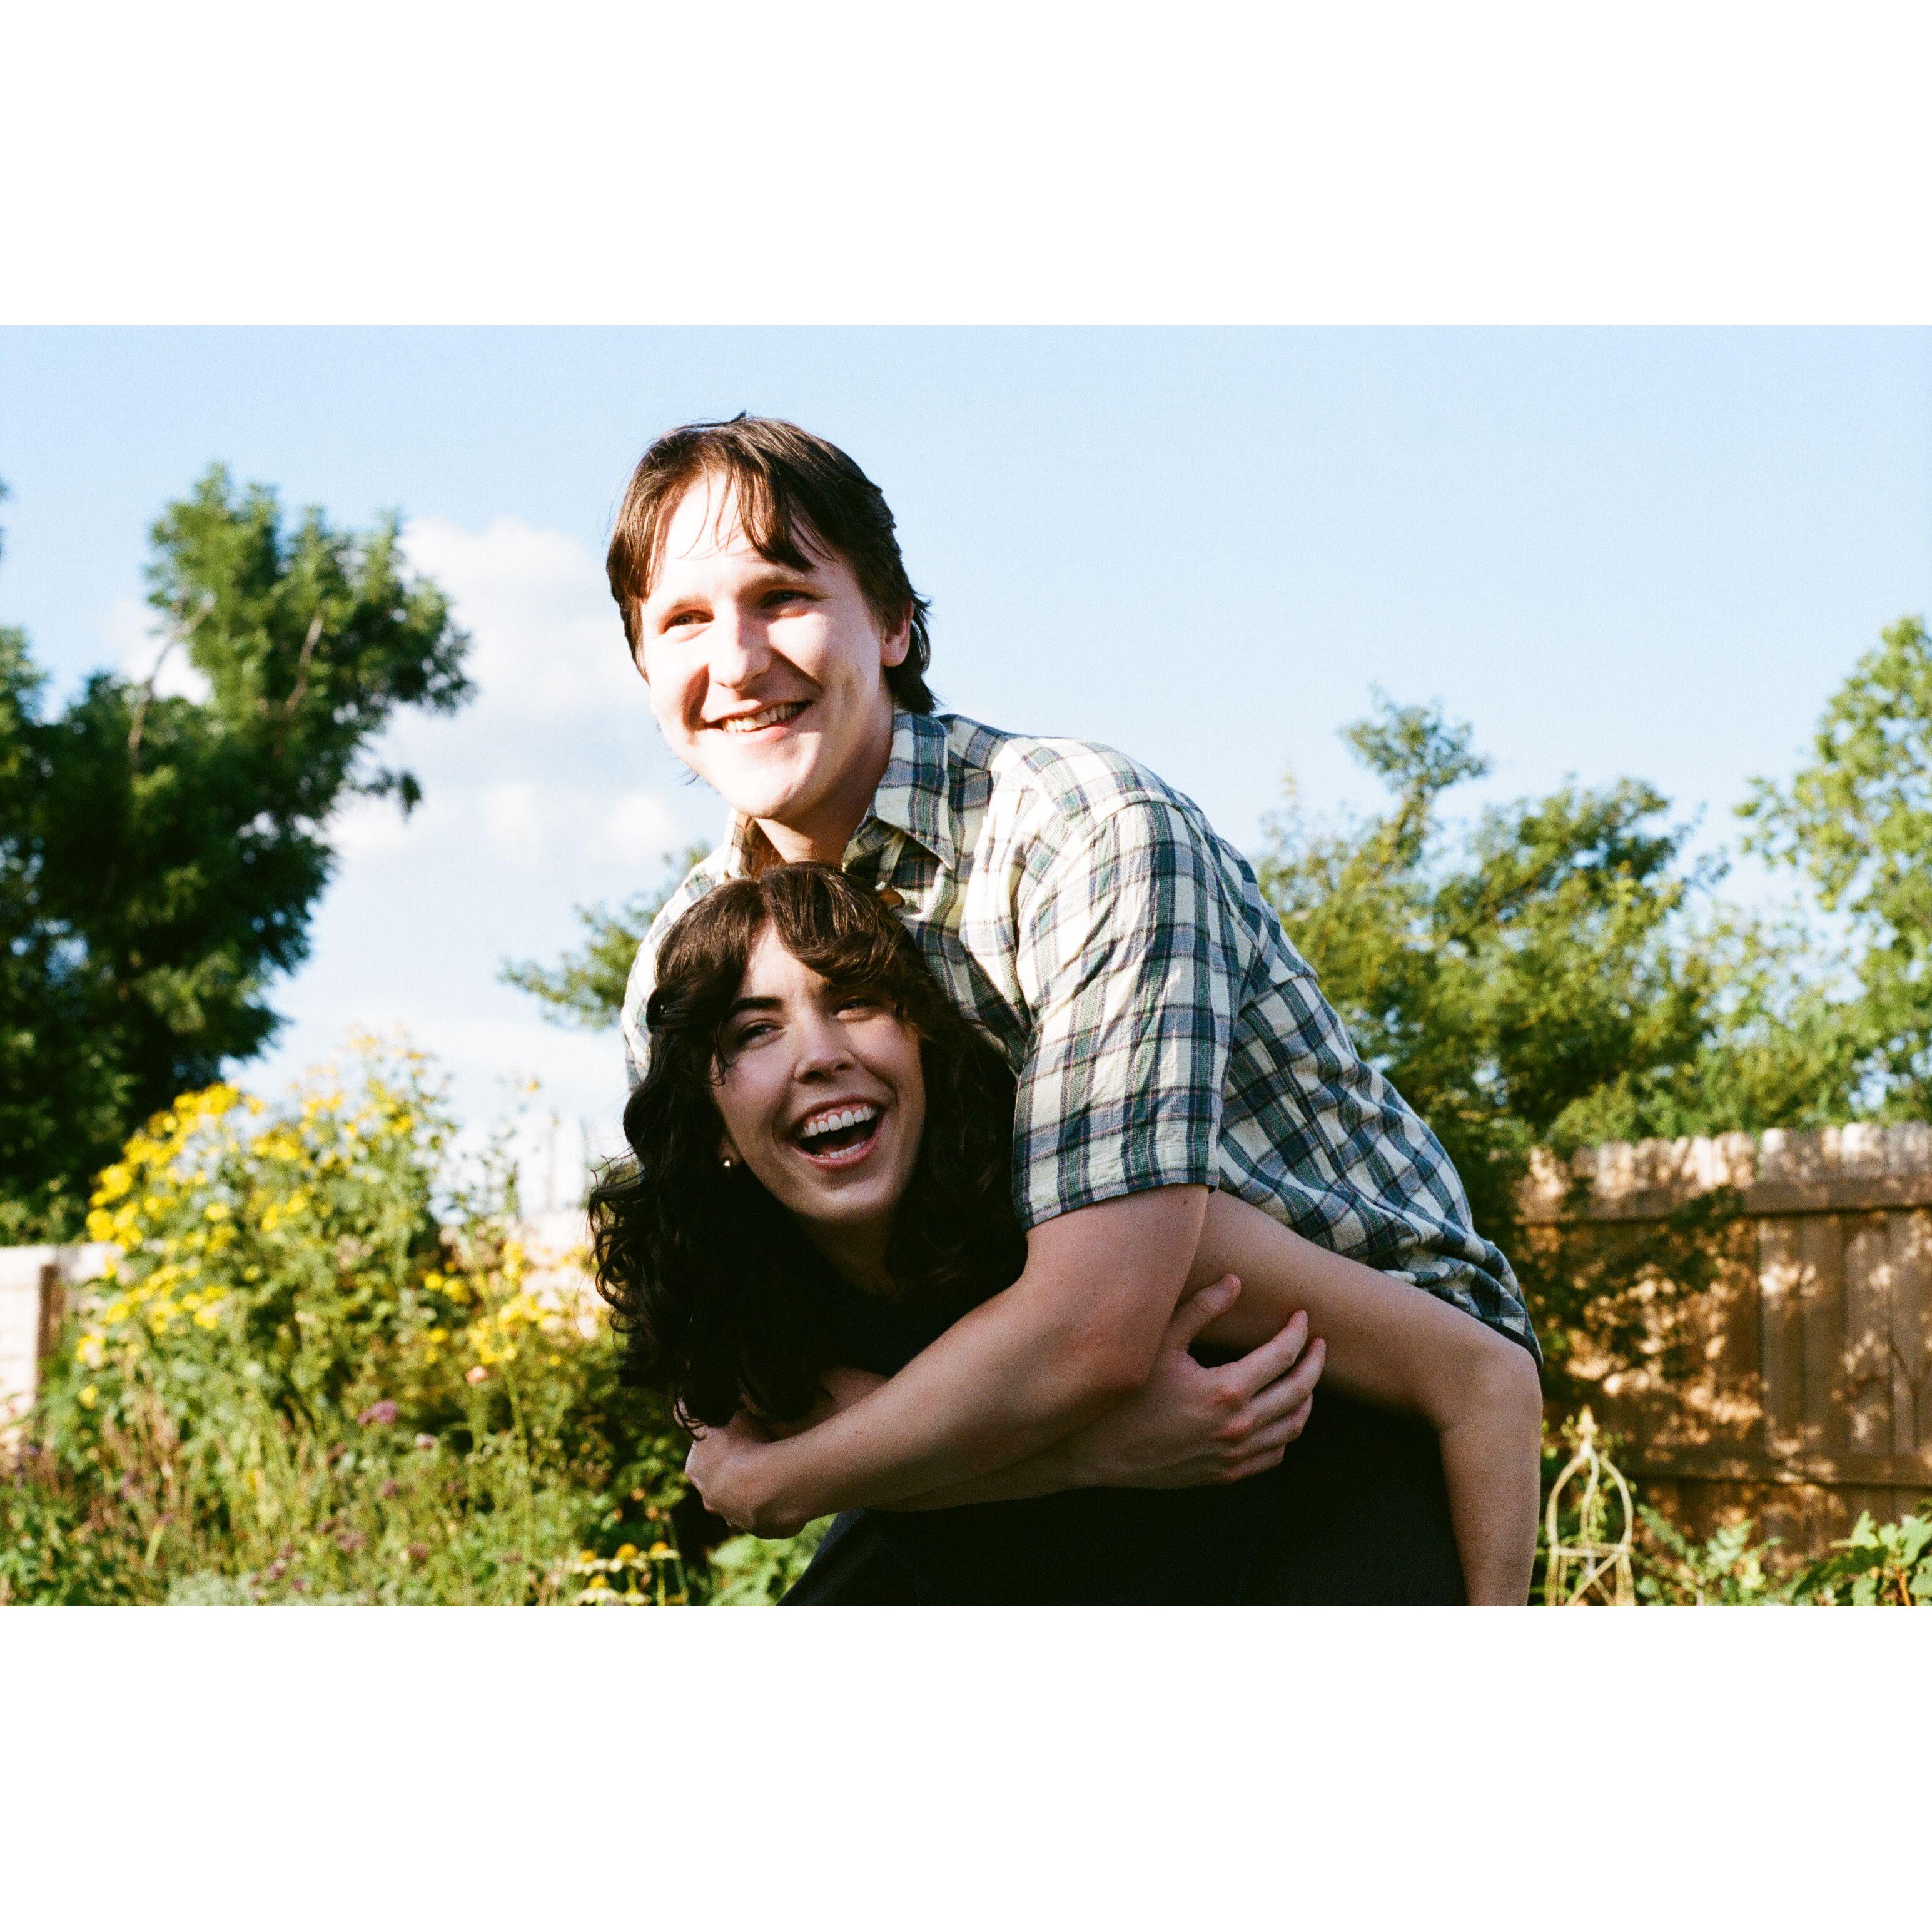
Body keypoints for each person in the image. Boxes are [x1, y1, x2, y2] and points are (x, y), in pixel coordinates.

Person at [609, 412, 1543, 1602]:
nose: (738, 660)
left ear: (893, 623)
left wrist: (777, 1484)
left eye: (782, 596)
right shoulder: (683, 962)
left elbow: (1096, 1323)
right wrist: (1095, 1456)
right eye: (684, 620)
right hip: (1013, 1410)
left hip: (1309, 1382)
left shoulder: (1082, 831)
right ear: (644, 669)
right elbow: (743, 1339)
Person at [590, 863, 1542, 1604]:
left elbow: (1485, 1378)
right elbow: (904, 1467)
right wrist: (1102, 1450)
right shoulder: (740, 1291)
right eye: (754, 1031)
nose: (820, 1054)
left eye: (854, 1001)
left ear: (923, 1047)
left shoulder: (1105, 1229)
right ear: (712, 1125)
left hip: (1310, 1542)